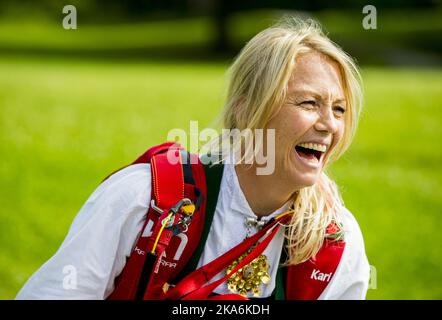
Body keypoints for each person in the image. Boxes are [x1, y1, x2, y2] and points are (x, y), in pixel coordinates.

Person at [16, 18, 370, 300]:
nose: (329, 125)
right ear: (247, 111)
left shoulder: (335, 242)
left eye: (339, 109)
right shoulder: (145, 198)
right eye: (309, 103)